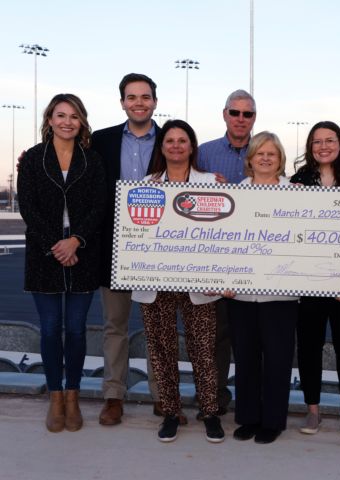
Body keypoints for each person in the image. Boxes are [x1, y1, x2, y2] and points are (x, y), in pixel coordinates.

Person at [17, 93, 106, 433]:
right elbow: (28, 207)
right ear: (50, 120)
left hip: (82, 251)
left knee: (77, 330)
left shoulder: (92, 160)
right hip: (45, 252)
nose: (67, 121)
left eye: (74, 116)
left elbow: (99, 206)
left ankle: (73, 396)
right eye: (61, 115)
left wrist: (75, 240)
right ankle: (55, 398)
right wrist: (55, 244)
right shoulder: (33, 159)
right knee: (52, 329)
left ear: (81, 121)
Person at [131, 119, 224, 443]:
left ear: (191, 147)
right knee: (161, 350)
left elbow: (224, 232)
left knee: (203, 350)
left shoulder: (212, 182)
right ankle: (171, 412)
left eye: (181, 140)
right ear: (162, 147)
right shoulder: (145, 185)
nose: (175, 145)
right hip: (156, 283)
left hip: (199, 283)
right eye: (169, 140)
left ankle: (210, 411)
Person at [91, 73, 163, 426]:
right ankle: (113, 396)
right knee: (114, 326)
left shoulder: (172, 139)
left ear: (154, 101)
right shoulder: (100, 140)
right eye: (132, 97)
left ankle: (162, 395)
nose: (139, 102)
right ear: (122, 102)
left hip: (157, 253)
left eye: (145, 96)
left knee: (157, 327)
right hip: (113, 249)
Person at [224, 131, 299, 444]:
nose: (266, 158)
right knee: (246, 356)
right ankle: (248, 417)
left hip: (281, 293)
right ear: (250, 159)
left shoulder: (297, 194)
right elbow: (223, 242)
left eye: (272, 154)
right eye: (260, 153)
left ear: (280, 160)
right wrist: (224, 281)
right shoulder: (234, 194)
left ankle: (273, 421)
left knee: (279, 358)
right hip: (240, 292)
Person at [290, 121, 340, 436]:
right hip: (308, 281)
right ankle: (312, 410)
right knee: (308, 346)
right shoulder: (297, 181)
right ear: (310, 146)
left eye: (329, 140)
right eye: (317, 141)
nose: (323, 146)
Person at [197, 89, 257, 416]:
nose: (240, 119)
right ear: (224, 114)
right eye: (235, 113)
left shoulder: (266, 151)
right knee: (216, 336)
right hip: (215, 259)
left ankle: (251, 403)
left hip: (254, 260)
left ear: (254, 119)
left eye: (247, 114)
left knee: (250, 339)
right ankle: (215, 399)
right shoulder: (204, 153)